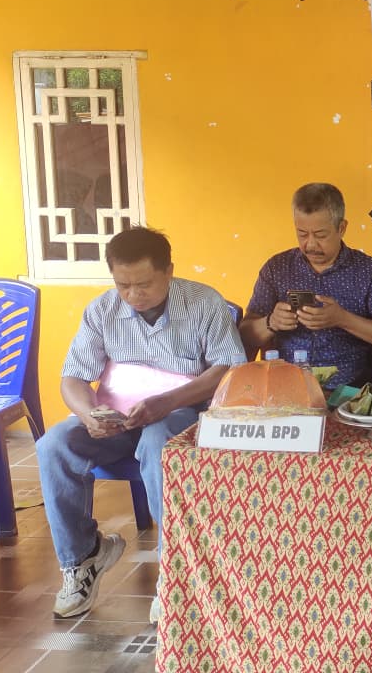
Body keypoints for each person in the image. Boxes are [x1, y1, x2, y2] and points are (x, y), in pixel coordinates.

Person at [35, 227, 244, 620]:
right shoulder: (101, 310)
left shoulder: (204, 303)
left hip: (181, 411)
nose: (133, 295)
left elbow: (228, 368)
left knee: (157, 441)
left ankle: (174, 571)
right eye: (123, 285)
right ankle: (82, 558)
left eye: (144, 284)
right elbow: (73, 377)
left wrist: (168, 401)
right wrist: (89, 415)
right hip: (116, 418)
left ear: (169, 271)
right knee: (54, 445)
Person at [239, 183, 372, 387]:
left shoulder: (369, 270)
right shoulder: (277, 268)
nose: (310, 244)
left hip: (348, 390)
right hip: (285, 388)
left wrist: (342, 319)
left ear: (341, 228)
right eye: (302, 234)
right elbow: (244, 335)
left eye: (320, 235)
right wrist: (271, 322)